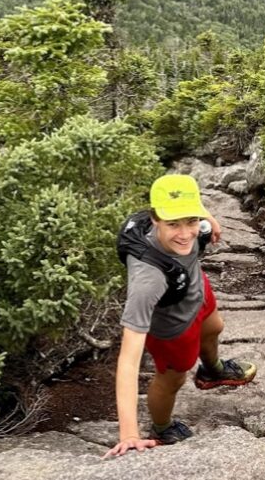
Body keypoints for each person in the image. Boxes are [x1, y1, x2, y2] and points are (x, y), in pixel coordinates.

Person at [105, 172, 256, 458]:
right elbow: (128, 359)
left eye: (190, 220)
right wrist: (128, 434)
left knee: (214, 327)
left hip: (195, 289)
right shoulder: (147, 280)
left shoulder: (192, 223)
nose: (186, 233)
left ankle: (212, 371)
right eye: (173, 224)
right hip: (172, 327)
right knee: (172, 379)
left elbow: (191, 211)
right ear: (155, 220)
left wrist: (208, 218)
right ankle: (161, 427)